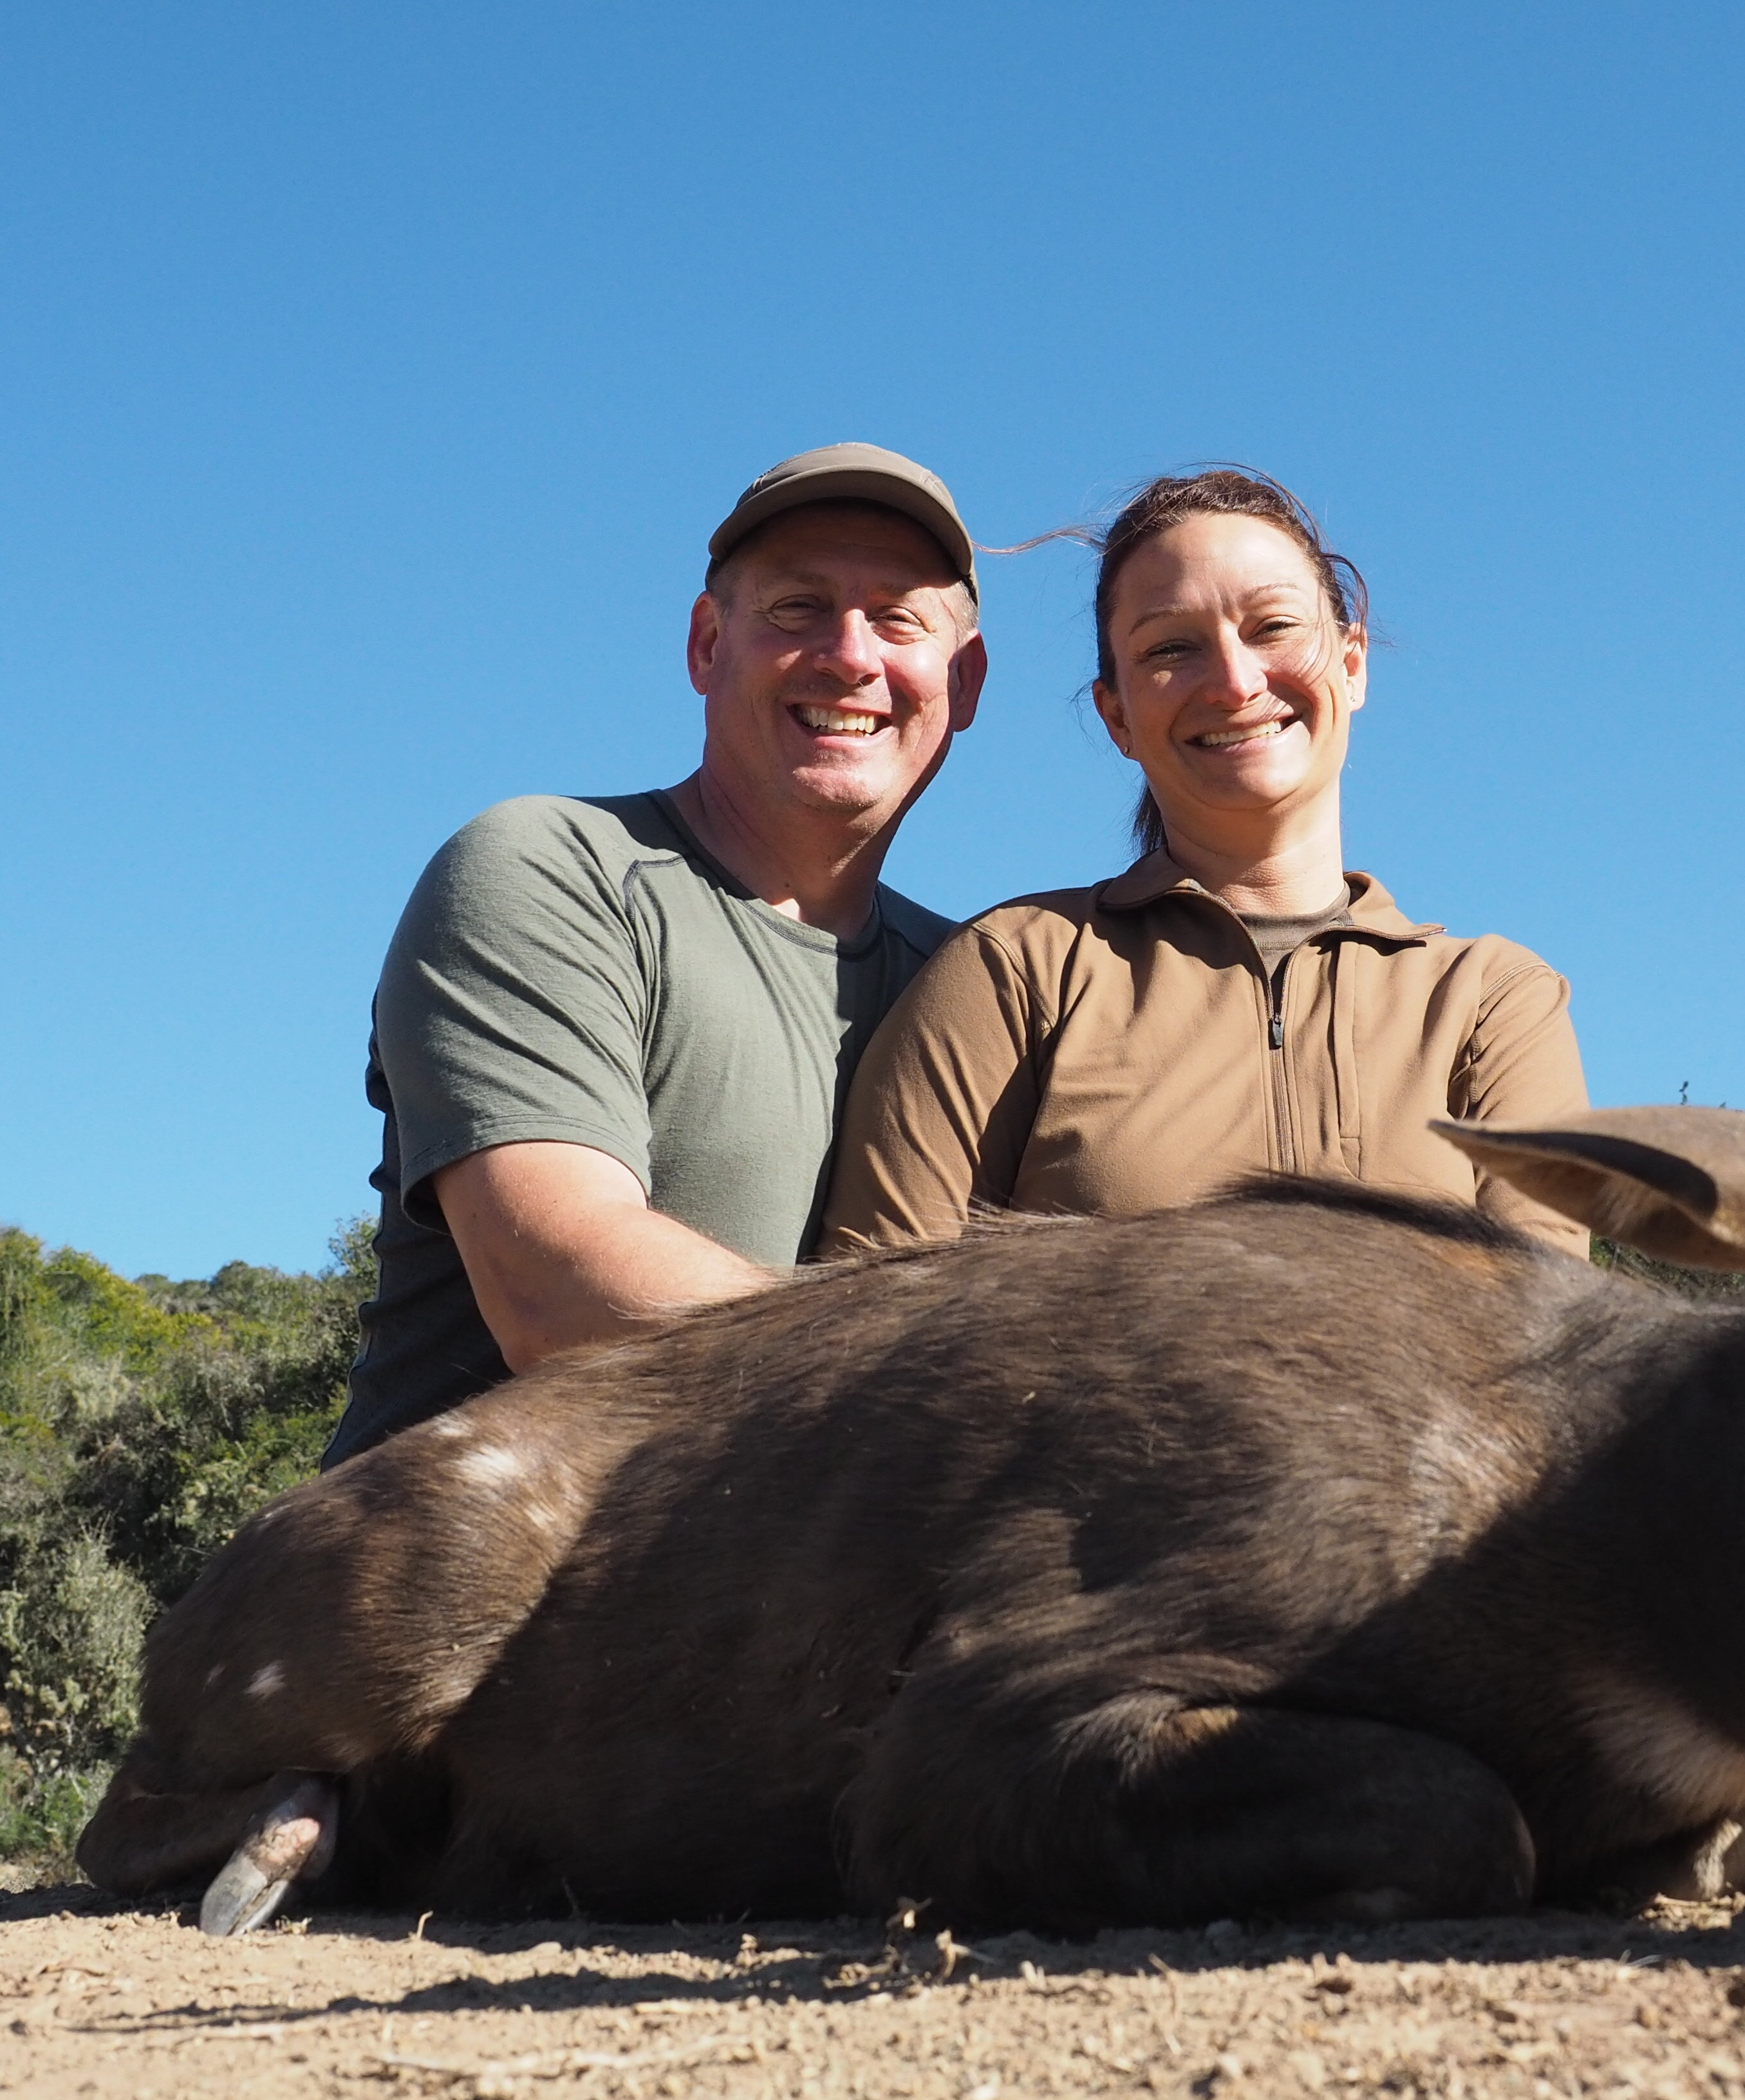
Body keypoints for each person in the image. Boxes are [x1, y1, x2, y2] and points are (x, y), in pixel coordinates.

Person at [322, 443, 989, 1463]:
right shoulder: (550, 869)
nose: (852, 656)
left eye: (900, 619)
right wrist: (969, 1399)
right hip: (457, 1598)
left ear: (967, 682)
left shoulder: (976, 984)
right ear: (705, 644)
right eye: (798, 608)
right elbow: (556, 1291)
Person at [819, 467, 1588, 1256]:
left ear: (1352, 665)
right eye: (1171, 648)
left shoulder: (1494, 1003)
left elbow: (1547, 1347)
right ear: (1116, 714)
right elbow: (871, 1320)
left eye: (1274, 627)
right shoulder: (1015, 969)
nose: (1233, 682)